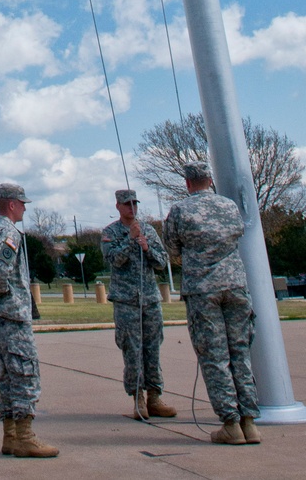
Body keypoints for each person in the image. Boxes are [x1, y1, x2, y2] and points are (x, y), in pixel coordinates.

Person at [164, 161, 261, 446]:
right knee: (240, 352)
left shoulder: (180, 210)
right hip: (235, 286)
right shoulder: (229, 206)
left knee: (215, 356)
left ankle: (230, 423)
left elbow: (172, 248)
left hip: (203, 290)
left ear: (187, 183)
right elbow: (239, 233)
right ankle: (250, 422)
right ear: (209, 180)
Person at [0, 183, 58, 459]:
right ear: (11, 204)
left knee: (9, 375)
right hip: (13, 313)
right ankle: (24, 436)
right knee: (24, 373)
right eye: (22, 203)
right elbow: (0, 270)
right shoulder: (9, 232)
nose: (25, 207)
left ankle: (10, 435)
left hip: (2, 314)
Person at [100, 189, 176, 420]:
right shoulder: (110, 232)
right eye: (127, 204)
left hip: (150, 299)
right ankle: (138, 398)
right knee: (132, 350)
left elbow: (162, 262)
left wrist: (146, 247)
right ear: (118, 206)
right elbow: (113, 260)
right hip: (126, 300)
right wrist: (130, 241)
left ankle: (154, 396)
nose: (132, 208)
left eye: (135, 203)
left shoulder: (149, 230)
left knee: (152, 348)